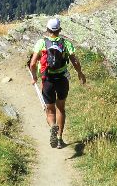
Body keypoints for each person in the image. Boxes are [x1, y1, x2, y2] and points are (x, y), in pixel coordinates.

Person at [28, 16, 86, 149]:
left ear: (47, 29)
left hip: (47, 79)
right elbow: (75, 61)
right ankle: (59, 138)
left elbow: (32, 63)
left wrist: (34, 77)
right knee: (61, 108)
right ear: (59, 29)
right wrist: (80, 73)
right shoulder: (65, 43)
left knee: (50, 110)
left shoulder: (41, 43)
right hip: (62, 79)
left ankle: (53, 126)